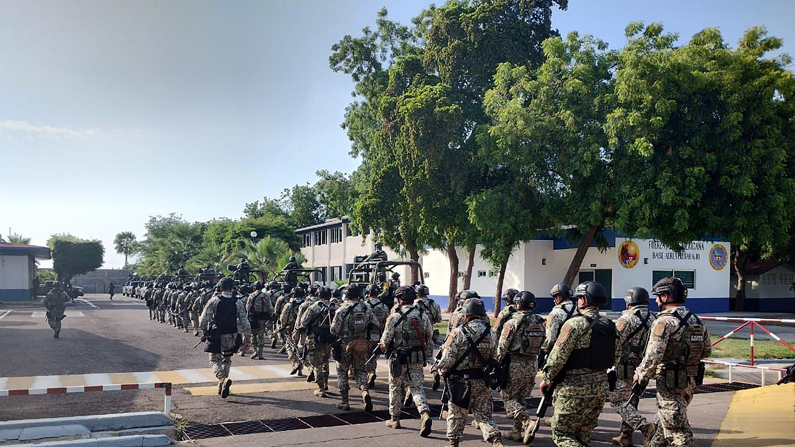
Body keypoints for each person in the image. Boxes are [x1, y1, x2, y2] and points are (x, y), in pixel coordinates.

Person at [539, 281, 620, 447]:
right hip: (599, 388)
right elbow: (616, 356)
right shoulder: (611, 326)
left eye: (580, 298)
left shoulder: (574, 324)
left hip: (572, 390)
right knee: (583, 434)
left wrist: (547, 377)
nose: (578, 301)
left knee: (563, 435)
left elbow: (557, 357)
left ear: (584, 300)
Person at [634, 277, 711, 447]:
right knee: (664, 425)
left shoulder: (663, 321)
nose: (655, 300)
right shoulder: (696, 319)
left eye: (658, 296)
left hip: (669, 383)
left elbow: (653, 355)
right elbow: (707, 350)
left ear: (666, 296)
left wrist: (640, 376)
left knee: (678, 431)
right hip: (690, 381)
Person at [437, 298, 503, 447]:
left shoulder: (458, 332)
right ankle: (495, 439)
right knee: (484, 417)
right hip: (482, 380)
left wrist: (441, 372)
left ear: (466, 314)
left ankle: (453, 442)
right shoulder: (491, 333)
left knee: (456, 414)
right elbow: (494, 357)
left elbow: (448, 360)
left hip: (460, 382)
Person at [379, 286, 434, 436]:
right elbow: (429, 335)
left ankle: (395, 419)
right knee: (416, 387)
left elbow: (384, 342)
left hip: (398, 359)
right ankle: (424, 413)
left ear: (399, 299)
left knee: (395, 388)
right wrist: (428, 356)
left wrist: (383, 347)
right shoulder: (423, 315)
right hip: (417, 358)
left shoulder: (394, 317)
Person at [496, 291, 546, 442]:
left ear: (518, 304)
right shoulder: (539, 321)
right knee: (522, 399)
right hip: (532, 364)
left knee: (508, 398)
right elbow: (544, 342)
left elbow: (502, 346)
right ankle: (516, 431)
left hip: (514, 364)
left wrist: (496, 364)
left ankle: (527, 422)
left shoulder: (512, 322)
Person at [609, 287, 656, 446]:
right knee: (631, 401)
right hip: (642, 368)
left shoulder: (626, 319)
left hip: (624, 367)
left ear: (629, 301)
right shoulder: (653, 318)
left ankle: (645, 427)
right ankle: (625, 436)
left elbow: (614, 342)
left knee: (617, 402)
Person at [199, 277, 252, 399]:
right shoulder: (238, 302)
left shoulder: (214, 301)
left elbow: (203, 319)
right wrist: (247, 339)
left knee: (214, 360)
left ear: (220, 287)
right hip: (232, 335)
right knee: (227, 359)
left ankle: (223, 378)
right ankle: (222, 384)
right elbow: (245, 322)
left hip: (216, 334)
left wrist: (205, 331)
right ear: (232, 287)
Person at [330, 283, 380, 411]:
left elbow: (334, 330)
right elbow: (375, 323)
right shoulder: (366, 308)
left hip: (344, 345)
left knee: (342, 372)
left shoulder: (341, 310)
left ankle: (345, 401)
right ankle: (364, 393)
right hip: (361, 345)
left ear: (346, 295)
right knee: (360, 371)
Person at [299, 286, 339, 397]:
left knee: (317, 364)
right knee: (325, 361)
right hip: (329, 338)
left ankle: (321, 389)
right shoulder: (335, 307)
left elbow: (304, 322)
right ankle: (325, 383)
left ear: (318, 295)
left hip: (315, 338)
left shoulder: (313, 307)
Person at [541, 283, 578, 356]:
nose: (554, 300)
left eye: (554, 297)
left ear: (559, 297)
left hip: (560, 353)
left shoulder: (555, 313)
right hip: (577, 352)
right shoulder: (578, 310)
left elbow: (550, 339)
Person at [365, 283, 390, 388]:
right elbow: (388, 321)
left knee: (366, 356)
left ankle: (368, 373)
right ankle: (372, 372)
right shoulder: (384, 307)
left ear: (369, 293)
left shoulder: (364, 305)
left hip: (366, 334)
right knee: (374, 355)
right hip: (379, 334)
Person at [280, 287, 307, 375]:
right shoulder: (306, 304)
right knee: (302, 347)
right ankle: (300, 369)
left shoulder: (289, 305)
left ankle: (295, 362)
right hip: (303, 328)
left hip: (291, 328)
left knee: (290, 346)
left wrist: (283, 326)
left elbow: (283, 317)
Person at [247, 281, 273, 360]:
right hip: (263, 317)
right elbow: (270, 307)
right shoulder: (266, 295)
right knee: (261, 335)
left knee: (253, 335)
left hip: (253, 318)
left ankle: (255, 351)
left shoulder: (251, 295)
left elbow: (247, 307)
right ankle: (260, 354)